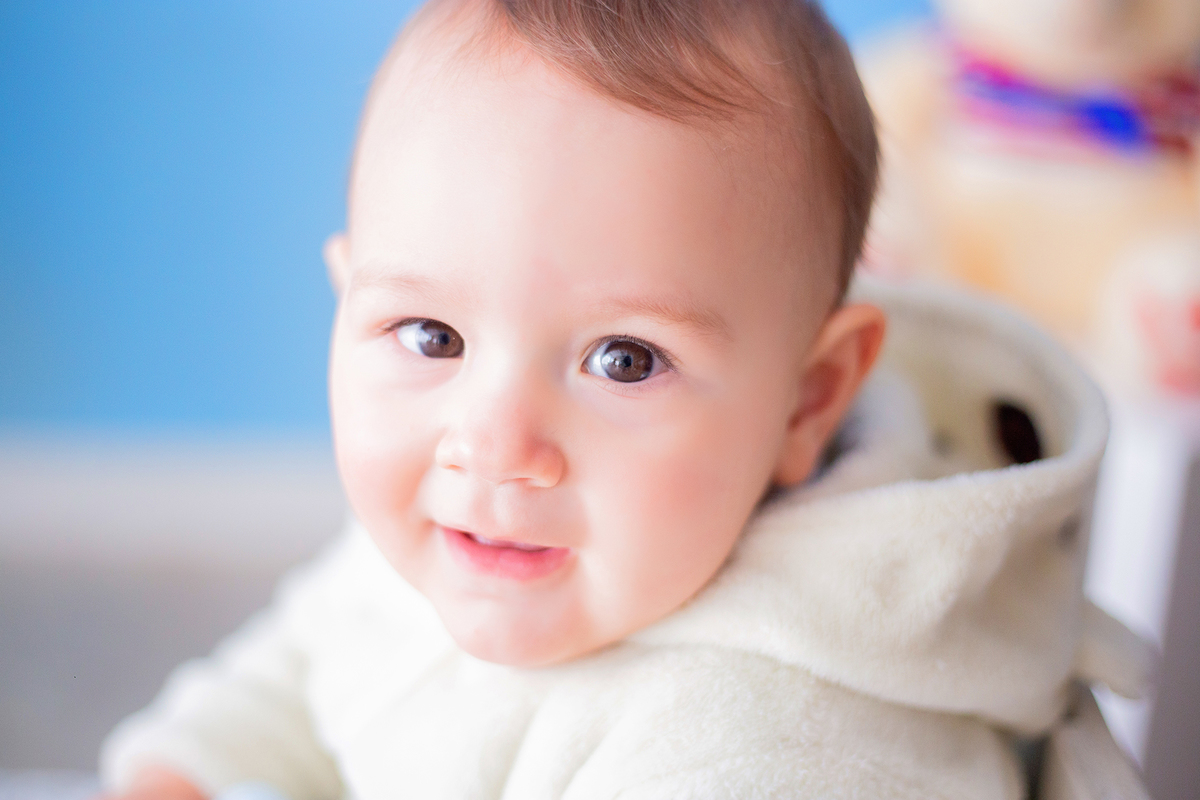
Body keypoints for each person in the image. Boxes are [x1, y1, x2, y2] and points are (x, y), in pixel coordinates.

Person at [98, 0, 1145, 797]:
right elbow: (313, 656)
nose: (496, 441)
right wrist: (182, 771)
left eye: (625, 360)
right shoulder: (471, 531)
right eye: (433, 337)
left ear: (805, 401)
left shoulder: (782, 737)